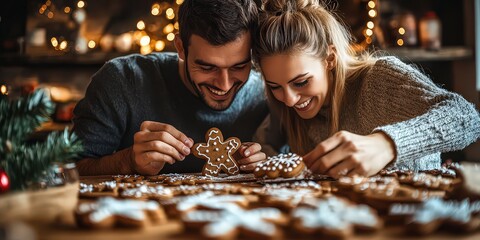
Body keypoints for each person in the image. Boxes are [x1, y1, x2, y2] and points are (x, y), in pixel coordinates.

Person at [252, 0, 480, 178]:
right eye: (275, 87)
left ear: (329, 58)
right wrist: (259, 157)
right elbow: (265, 145)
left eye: (301, 82)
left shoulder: (377, 79)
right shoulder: (284, 102)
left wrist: (386, 144)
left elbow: (467, 118)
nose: (290, 100)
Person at [73, 0, 269, 176]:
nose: (224, 84)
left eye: (239, 66)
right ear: (180, 47)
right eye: (207, 67)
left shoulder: (269, 91)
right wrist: (129, 161)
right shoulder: (122, 80)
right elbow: (68, 169)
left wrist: (266, 164)